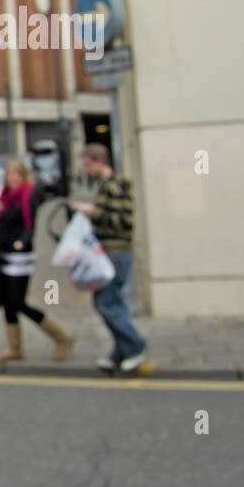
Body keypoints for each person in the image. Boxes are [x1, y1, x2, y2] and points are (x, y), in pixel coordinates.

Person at [68, 143, 148, 372]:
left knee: (105, 302)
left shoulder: (117, 185)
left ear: (99, 161)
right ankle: (118, 354)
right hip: (109, 252)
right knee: (113, 302)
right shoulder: (106, 186)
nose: (86, 170)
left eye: (87, 164)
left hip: (116, 252)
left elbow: (124, 220)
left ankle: (135, 346)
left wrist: (93, 212)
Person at [0, 159, 75, 363]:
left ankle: (62, 337)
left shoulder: (28, 196)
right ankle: (14, 348)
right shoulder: (5, 198)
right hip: (3, 254)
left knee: (18, 302)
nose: (13, 179)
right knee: (7, 302)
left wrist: (21, 241)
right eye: (10, 175)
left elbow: (29, 225)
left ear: (24, 176)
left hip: (20, 256)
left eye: (17, 174)